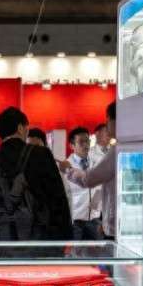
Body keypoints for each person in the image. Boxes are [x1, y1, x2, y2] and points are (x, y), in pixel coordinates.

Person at [0, 107, 72, 243]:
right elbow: (57, 200)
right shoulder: (41, 155)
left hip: (4, 243)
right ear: (20, 128)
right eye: (26, 128)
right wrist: (65, 237)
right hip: (40, 243)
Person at [59, 102, 118, 240]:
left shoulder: (111, 154)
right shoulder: (117, 151)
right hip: (76, 220)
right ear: (72, 145)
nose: (106, 124)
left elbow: (89, 180)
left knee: (104, 250)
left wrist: (69, 169)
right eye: (81, 142)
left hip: (99, 220)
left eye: (108, 119)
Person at [63, 127, 102, 240]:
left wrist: (95, 209)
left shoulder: (96, 162)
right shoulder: (65, 166)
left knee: (101, 248)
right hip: (74, 222)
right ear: (72, 145)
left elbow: (100, 188)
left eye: (87, 141)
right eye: (81, 142)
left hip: (94, 219)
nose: (85, 145)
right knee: (73, 250)